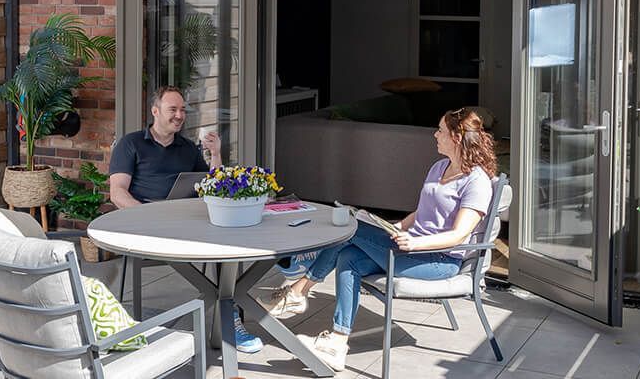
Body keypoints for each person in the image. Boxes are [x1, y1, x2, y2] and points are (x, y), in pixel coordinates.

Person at [263, 107, 496, 371]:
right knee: (349, 256)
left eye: (441, 130)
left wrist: (416, 243)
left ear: (456, 137)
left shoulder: (477, 182)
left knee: (352, 229)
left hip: (438, 260)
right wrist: (394, 226)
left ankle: (299, 290)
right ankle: (337, 343)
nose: (435, 135)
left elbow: (459, 235)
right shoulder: (440, 167)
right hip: (408, 247)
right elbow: (423, 212)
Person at [108, 85, 263, 353]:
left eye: (182, 110)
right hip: (149, 224)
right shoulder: (131, 144)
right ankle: (224, 316)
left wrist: (215, 154)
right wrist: (147, 218)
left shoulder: (188, 148)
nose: (179, 115)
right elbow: (117, 193)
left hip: (188, 221)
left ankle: (231, 323)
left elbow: (215, 185)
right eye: (173, 109)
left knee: (228, 245)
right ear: (155, 111)